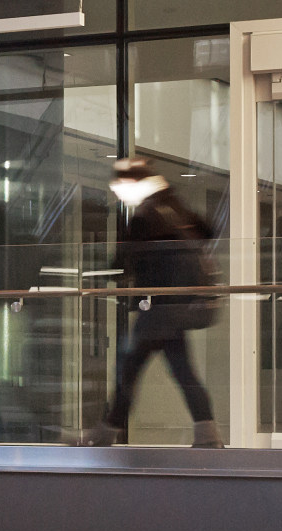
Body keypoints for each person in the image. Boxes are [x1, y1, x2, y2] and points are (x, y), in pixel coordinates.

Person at [94, 153, 223, 446]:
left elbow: (122, 262)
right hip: (177, 307)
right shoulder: (173, 207)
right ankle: (208, 433)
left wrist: (107, 273)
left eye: (119, 185)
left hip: (157, 309)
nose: (116, 191)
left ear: (133, 184)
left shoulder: (145, 216)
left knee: (129, 367)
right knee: (180, 370)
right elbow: (208, 231)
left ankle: (104, 434)